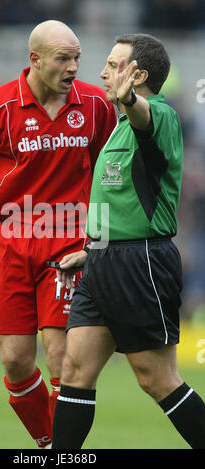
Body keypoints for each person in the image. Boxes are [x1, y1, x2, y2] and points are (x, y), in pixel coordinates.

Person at [0, 20, 116, 448]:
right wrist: (14, 217)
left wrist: (96, 231)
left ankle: (64, 454)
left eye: (77, 58)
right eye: (64, 59)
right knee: (14, 360)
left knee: (62, 357)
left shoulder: (98, 105)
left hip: (70, 242)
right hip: (12, 241)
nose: (73, 67)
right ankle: (51, 444)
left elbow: (109, 170)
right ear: (35, 59)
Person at [52, 33, 205, 449]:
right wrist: (90, 248)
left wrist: (131, 101)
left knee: (155, 378)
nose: (102, 73)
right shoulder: (116, 129)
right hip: (102, 261)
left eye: (113, 65)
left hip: (142, 263)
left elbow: (145, 119)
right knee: (75, 369)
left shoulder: (160, 115)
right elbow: (113, 201)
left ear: (138, 75)